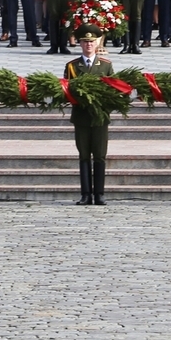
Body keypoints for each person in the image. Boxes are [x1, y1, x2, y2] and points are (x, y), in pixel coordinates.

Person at [66, 24, 113, 205]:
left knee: (100, 155)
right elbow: (68, 90)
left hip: (100, 117)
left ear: (97, 43)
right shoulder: (72, 66)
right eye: (85, 42)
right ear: (80, 44)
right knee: (84, 155)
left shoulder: (106, 66)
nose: (88, 45)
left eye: (91, 42)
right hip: (82, 117)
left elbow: (112, 89)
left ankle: (99, 194)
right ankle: (86, 194)